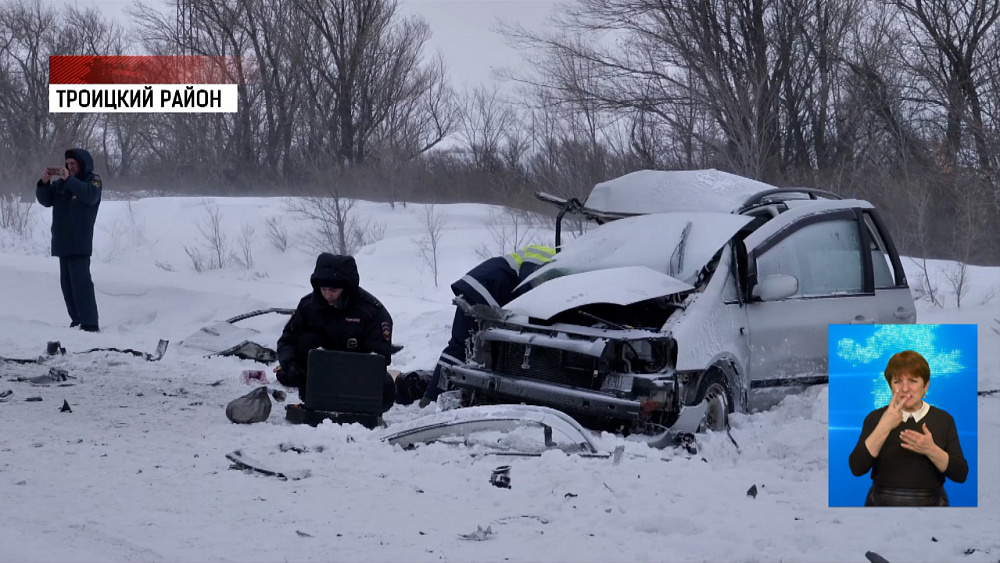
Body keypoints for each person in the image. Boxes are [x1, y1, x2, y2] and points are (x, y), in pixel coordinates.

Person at [416, 244, 556, 407]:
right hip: (486, 290)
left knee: (463, 347)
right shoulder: (553, 258)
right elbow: (528, 281)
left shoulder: (559, 259)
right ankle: (432, 400)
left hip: (482, 287)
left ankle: (435, 397)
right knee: (461, 348)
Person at [275, 253, 395, 412]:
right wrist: (289, 364)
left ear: (347, 287)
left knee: (386, 389)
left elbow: (380, 357)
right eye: (323, 289)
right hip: (317, 377)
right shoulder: (307, 307)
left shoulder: (371, 311)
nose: (327, 295)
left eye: (333, 290)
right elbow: (287, 341)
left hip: (356, 377)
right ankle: (312, 396)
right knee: (302, 348)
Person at [849, 350, 968, 506]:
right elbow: (857, 468)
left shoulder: (944, 420)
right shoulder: (875, 418)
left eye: (913, 381)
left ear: (925, 385)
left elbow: (961, 474)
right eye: (897, 381)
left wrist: (930, 449)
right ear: (890, 386)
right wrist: (884, 426)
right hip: (881, 503)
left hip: (932, 504)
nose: (905, 389)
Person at [35, 148, 103, 332]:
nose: (70, 167)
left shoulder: (93, 181)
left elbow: (89, 196)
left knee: (82, 285)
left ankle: (89, 323)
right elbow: (47, 200)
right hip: (62, 242)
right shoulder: (62, 184)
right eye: (68, 164)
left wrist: (69, 179)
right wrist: (44, 183)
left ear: (82, 164)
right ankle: (77, 321)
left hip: (79, 242)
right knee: (68, 287)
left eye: (73, 164)